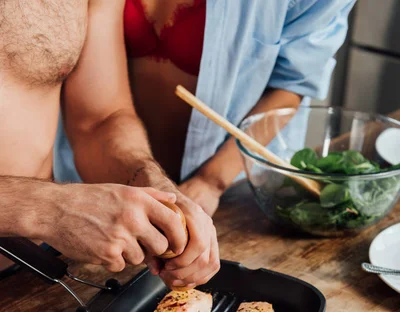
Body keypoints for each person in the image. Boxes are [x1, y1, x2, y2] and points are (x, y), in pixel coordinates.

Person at [55, 0, 357, 217]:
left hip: (231, 189)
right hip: (100, 171)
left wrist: (211, 182)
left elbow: (291, 84)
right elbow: (96, 114)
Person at [0, 0, 219, 289]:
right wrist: (49, 209)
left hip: (34, 271)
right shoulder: (51, 211)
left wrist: (157, 191)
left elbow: (99, 120)